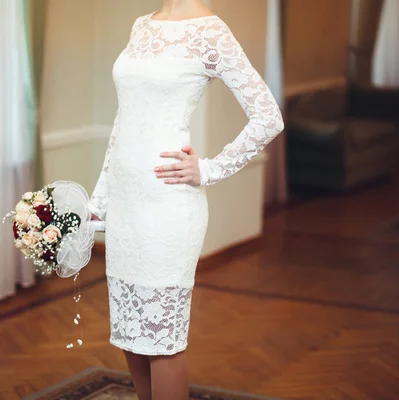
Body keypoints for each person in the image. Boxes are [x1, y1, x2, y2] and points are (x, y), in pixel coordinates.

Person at [87, 0, 284, 398]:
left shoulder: (211, 32)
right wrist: (100, 199)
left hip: (168, 207)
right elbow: (123, 121)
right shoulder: (142, 24)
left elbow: (268, 116)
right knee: (131, 334)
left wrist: (208, 169)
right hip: (127, 205)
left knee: (162, 342)